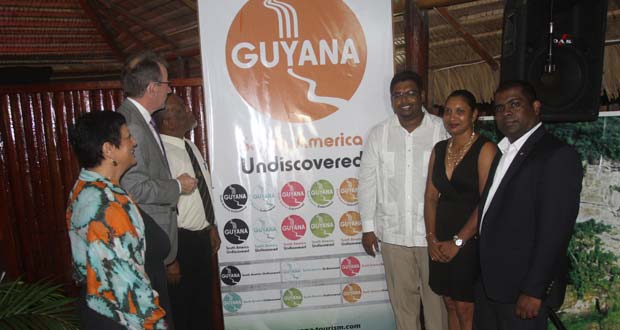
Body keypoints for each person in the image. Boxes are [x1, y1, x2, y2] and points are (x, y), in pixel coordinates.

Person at [475, 80, 583, 329]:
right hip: (490, 287)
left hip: (522, 292)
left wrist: (534, 291)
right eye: (500, 108)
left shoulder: (556, 156)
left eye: (515, 104)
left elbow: (555, 231)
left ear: (535, 107)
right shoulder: (503, 153)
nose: (506, 112)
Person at [359, 70, 448, 330]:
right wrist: (367, 227)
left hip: (433, 235)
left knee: (437, 307)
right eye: (397, 95)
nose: (404, 100)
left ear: (422, 95)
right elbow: (368, 181)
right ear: (391, 100)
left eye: (410, 93)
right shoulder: (379, 134)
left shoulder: (442, 129)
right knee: (403, 308)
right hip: (394, 236)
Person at [66, 111, 167, 329]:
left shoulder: (88, 186)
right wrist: (154, 324)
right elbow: (126, 283)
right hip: (119, 319)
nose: (134, 142)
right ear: (108, 149)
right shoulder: (107, 204)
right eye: (128, 137)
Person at [117, 52, 197, 284]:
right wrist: (177, 185)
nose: (169, 90)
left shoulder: (140, 120)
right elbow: (133, 188)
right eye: (166, 84)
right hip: (147, 238)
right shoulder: (133, 125)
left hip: (154, 239)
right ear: (152, 87)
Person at [424, 90, 497, 330]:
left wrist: (457, 242)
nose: (452, 117)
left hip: (470, 239)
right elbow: (431, 197)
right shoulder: (439, 149)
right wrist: (432, 238)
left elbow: (485, 202)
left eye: (460, 111)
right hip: (440, 237)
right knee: (449, 303)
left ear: (474, 115)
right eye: (447, 111)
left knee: (466, 307)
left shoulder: (485, 149)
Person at [153, 94, 221, 329]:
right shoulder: (160, 156)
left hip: (200, 239)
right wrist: (170, 259)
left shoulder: (189, 146)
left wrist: (210, 226)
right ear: (169, 122)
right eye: (182, 109)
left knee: (202, 306)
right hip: (179, 243)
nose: (190, 111)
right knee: (183, 311)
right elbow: (160, 209)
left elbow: (201, 194)